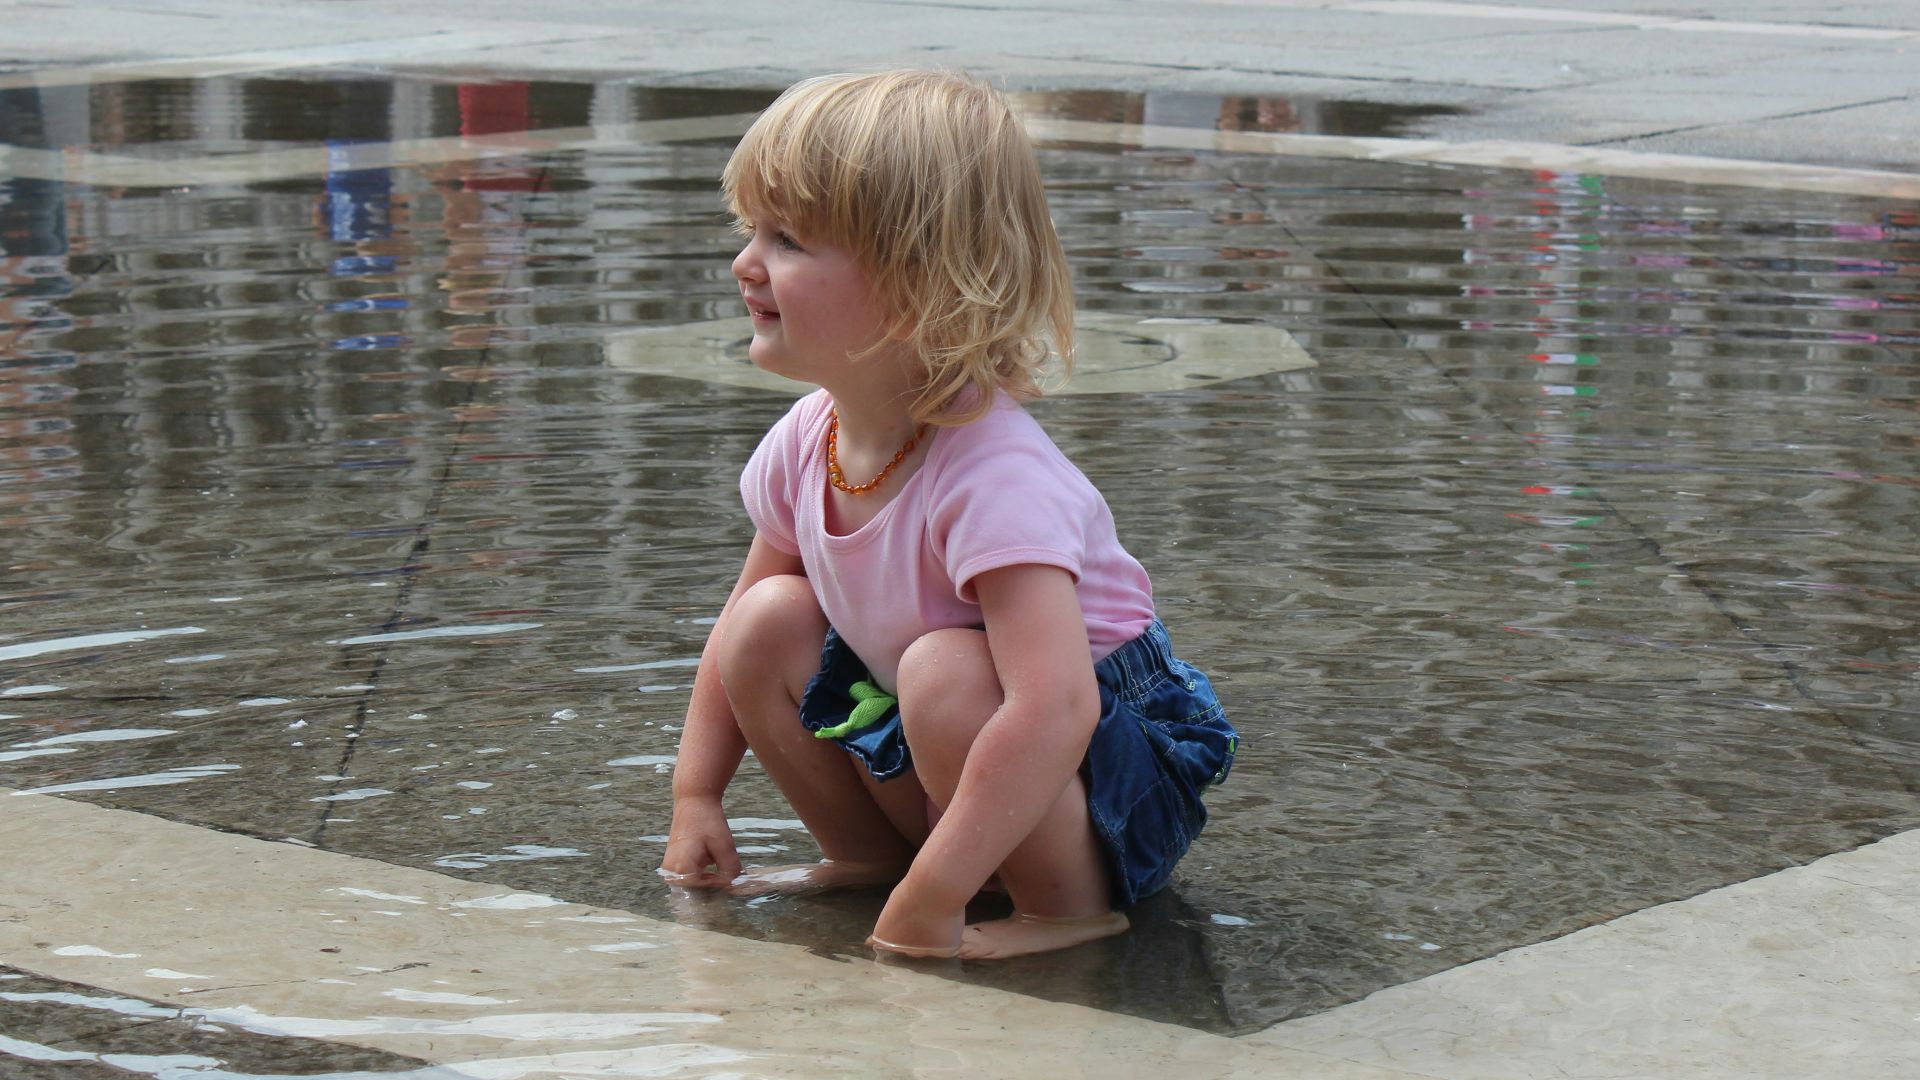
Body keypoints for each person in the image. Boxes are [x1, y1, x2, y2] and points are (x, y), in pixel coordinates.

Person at [659, 70, 1236, 961]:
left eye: (789, 240)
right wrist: (695, 794)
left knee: (942, 670)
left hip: (1105, 786)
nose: (745, 264)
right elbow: (736, 636)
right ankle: (874, 860)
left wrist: (941, 895)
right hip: (951, 754)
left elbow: (1055, 708)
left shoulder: (995, 475)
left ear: (920, 283)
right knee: (764, 623)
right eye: (750, 231)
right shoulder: (807, 440)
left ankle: (1064, 908)